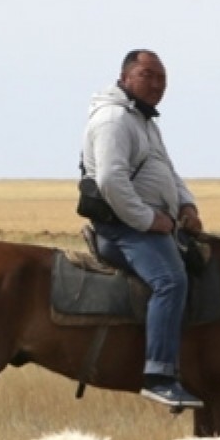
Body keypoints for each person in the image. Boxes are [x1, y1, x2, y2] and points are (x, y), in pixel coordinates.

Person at [81, 49, 205, 410]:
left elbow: (168, 170)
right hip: (124, 228)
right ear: (125, 77)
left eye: (162, 78)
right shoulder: (114, 120)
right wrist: (150, 220)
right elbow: (110, 180)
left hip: (149, 225)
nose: (156, 84)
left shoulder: (144, 122)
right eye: (147, 75)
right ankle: (160, 376)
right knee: (171, 280)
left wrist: (187, 205)